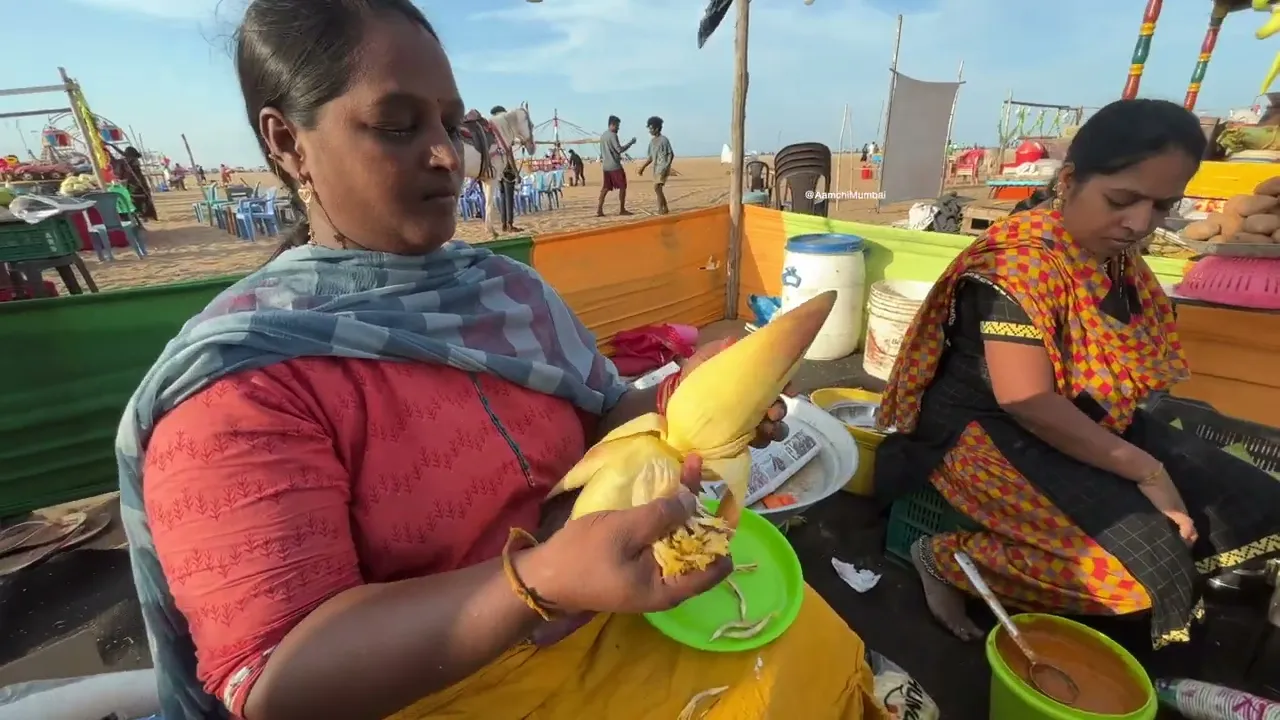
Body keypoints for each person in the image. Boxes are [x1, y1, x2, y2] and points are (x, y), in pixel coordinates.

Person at [118, 2, 889, 719]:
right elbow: (280, 673)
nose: (447, 155)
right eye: (396, 124)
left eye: (453, 124)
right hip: (448, 688)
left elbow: (599, 424)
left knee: (816, 646)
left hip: (602, 606)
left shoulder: (506, 290)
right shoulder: (242, 388)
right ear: (287, 143)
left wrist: (693, 402)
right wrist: (537, 581)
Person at [873, 98, 1280, 650]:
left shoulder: (1106, 251)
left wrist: (1147, 462)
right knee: (1138, 575)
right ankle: (948, 558)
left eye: (1163, 206)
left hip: (1084, 414)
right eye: (1121, 199)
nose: (1140, 222)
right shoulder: (1018, 265)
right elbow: (1026, 400)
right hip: (981, 432)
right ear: (1069, 180)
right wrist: (1148, 471)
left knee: (1252, 499)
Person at [489, 105, 522, 233]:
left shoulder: (492, 133)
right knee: (509, 197)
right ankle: (509, 224)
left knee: (503, 197)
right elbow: (509, 154)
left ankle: (504, 224)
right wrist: (515, 171)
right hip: (507, 170)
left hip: (498, 170)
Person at [597, 115, 635, 217]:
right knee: (623, 186)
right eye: (617, 126)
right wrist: (630, 143)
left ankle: (599, 209)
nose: (618, 128)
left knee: (605, 188)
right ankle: (622, 209)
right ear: (612, 124)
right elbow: (619, 150)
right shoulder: (613, 135)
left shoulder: (603, 136)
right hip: (614, 166)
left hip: (606, 166)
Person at [637, 116, 674, 215]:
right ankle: (665, 208)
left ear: (657, 128)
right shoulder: (652, 142)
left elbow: (671, 154)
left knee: (657, 188)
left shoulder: (664, 140)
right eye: (649, 128)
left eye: (651, 128)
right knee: (658, 189)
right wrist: (642, 168)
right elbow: (650, 158)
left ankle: (660, 209)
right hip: (656, 168)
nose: (650, 130)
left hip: (663, 168)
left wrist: (667, 166)